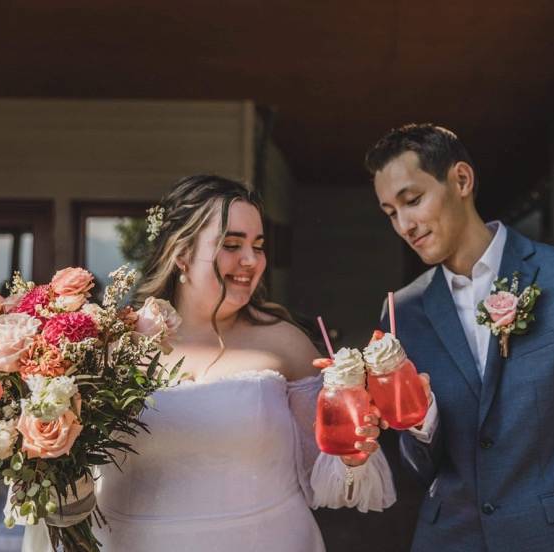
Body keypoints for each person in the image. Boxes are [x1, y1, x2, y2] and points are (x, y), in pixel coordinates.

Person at [21, 175, 396, 551]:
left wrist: (352, 454)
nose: (251, 260)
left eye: (258, 246)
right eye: (232, 244)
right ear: (182, 254)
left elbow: (327, 472)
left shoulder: (286, 343)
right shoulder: (113, 343)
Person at [366, 124, 554, 551]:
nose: (405, 224)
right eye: (391, 213)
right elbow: (419, 467)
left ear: (461, 180)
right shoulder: (401, 313)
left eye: (413, 200)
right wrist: (421, 423)